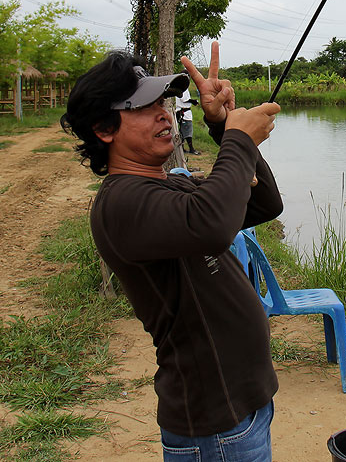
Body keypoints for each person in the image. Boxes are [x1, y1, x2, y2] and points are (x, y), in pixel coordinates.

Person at [60, 41, 283, 462]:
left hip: (241, 410)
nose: (164, 113)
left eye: (163, 101)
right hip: (214, 427)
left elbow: (263, 204)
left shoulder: (168, 186)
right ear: (104, 129)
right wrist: (237, 138)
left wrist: (220, 127)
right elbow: (213, 224)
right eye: (142, 107)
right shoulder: (121, 203)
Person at [175, 87, 200, 154]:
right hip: (184, 113)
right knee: (188, 132)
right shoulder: (183, 88)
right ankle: (191, 149)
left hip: (182, 112)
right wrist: (193, 101)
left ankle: (181, 148)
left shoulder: (179, 87)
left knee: (182, 132)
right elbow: (184, 99)